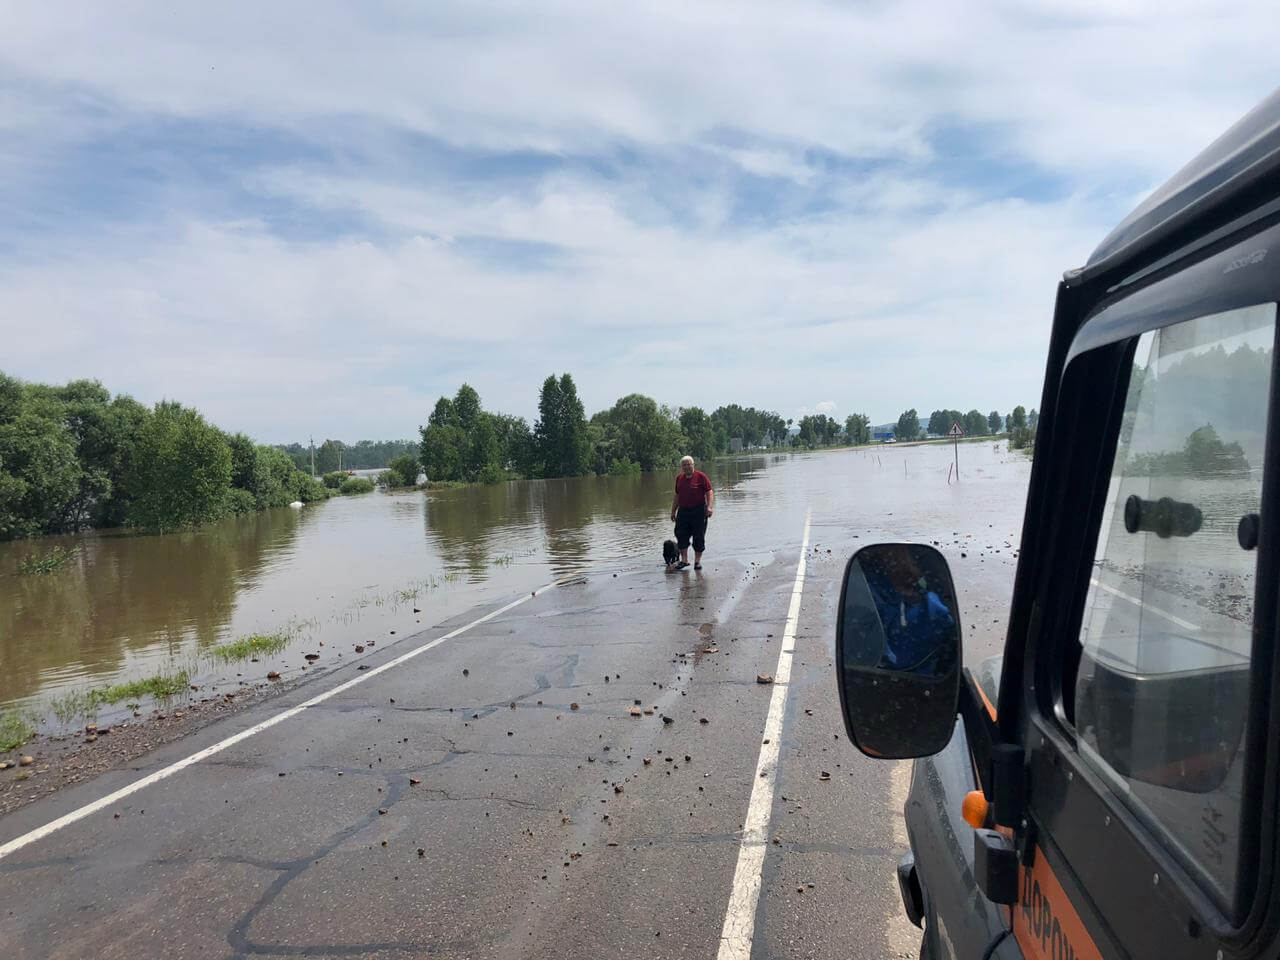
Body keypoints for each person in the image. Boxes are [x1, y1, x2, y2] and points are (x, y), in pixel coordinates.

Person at [670, 456, 714, 570]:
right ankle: (684, 561)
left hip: (699, 511)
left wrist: (709, 507)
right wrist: (673, 511)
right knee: (680, 534)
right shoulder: (679, 478)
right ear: (681, 467)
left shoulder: (701, 477)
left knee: (698, 537)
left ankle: (697, 562)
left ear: (693, 465)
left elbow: (709, 492)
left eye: (688, 464)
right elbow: (677, 495)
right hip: (683, 511)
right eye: (684, 465)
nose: (686, 467)